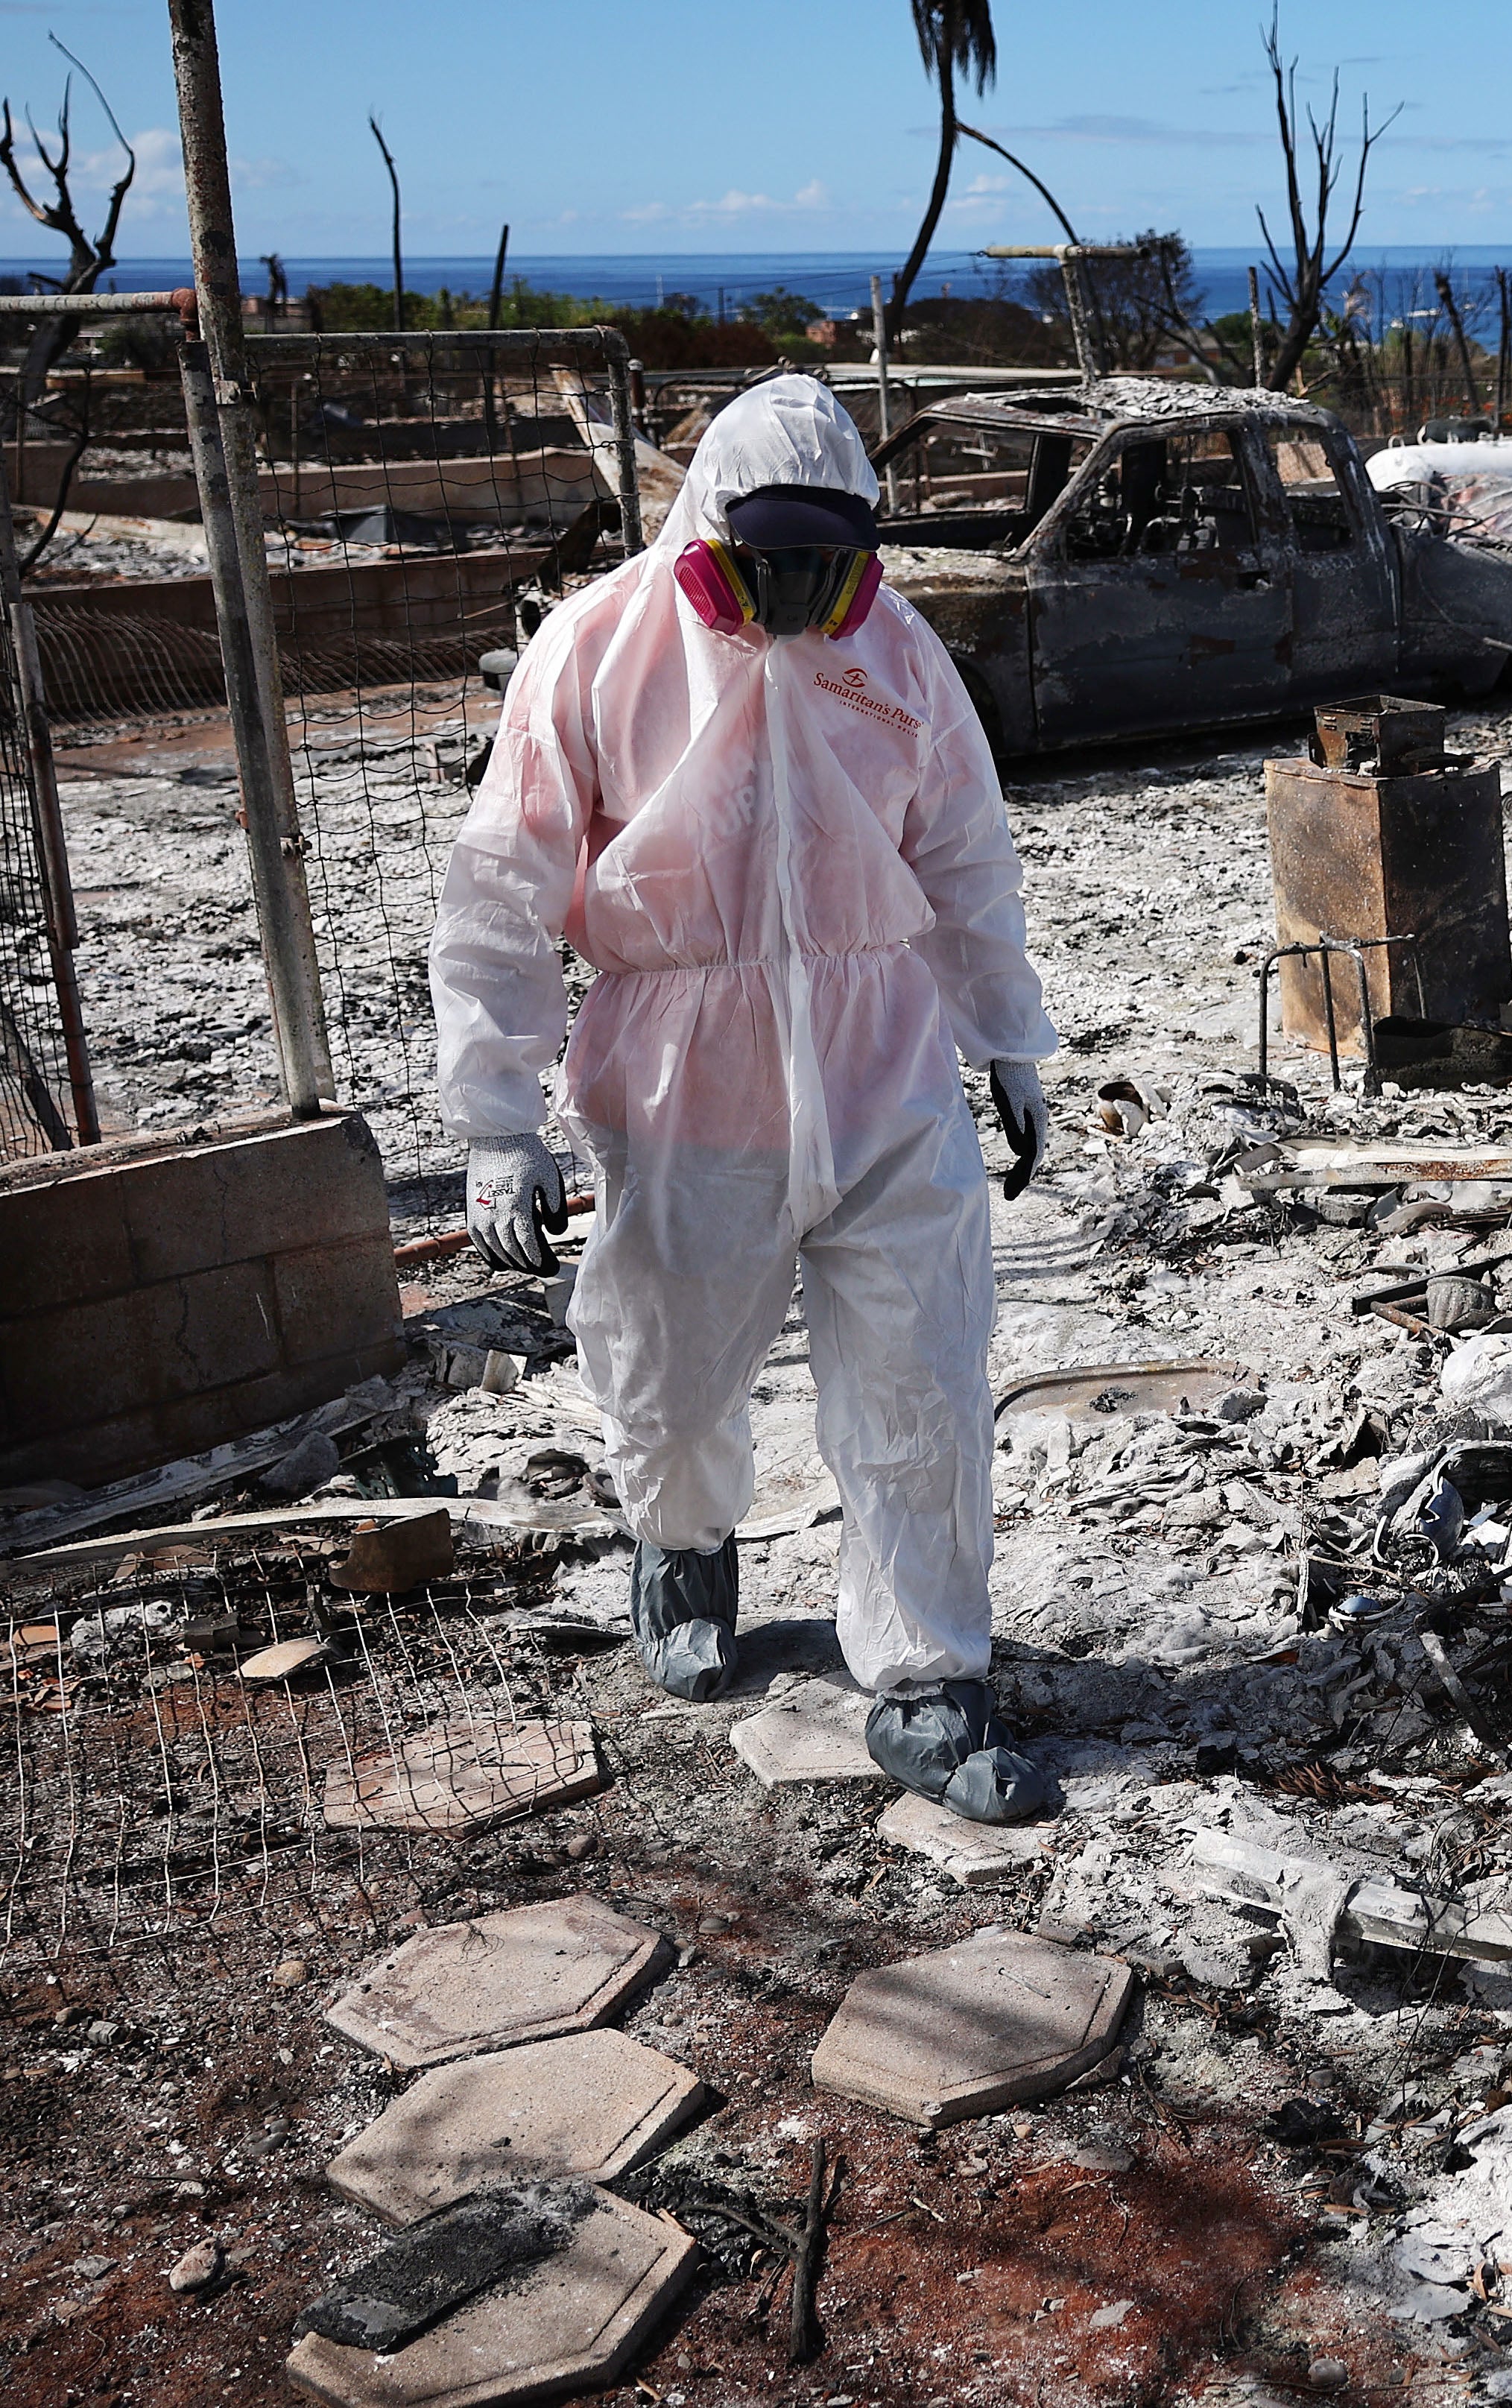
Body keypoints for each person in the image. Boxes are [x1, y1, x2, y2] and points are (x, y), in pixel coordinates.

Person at [432, 374, 1063, 1825]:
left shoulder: (890, 650)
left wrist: (1004, 1036)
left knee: (921, 1377)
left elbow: (963, 851)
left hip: (884, 1061)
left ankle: (926, 1680)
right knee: (671, 1360)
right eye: (761, 562)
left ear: (860, 559)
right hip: (684, 1072)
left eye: (819, 569)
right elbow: (503, 888)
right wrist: (495, 1120)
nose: (787, 595)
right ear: (708, 534)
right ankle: (683, 1548)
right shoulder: (597, 647)